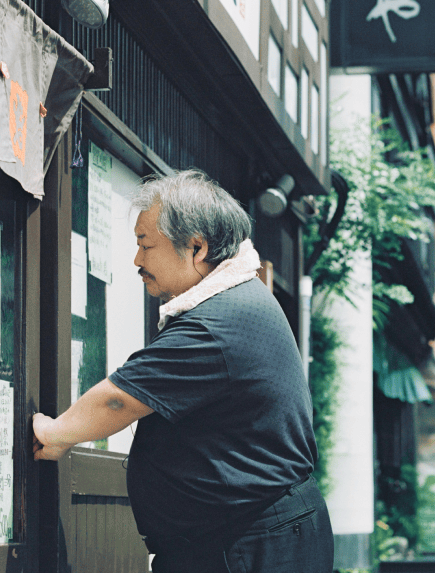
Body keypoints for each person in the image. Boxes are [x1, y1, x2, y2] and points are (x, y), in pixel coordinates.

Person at [32, 170, 333, 573]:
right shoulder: (239, 302)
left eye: (145, 245)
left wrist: (54, 434)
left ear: (196, 247)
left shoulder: (219, 323)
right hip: (252, 533)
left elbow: (120, 398)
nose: (137, 260)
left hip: (253, 539)